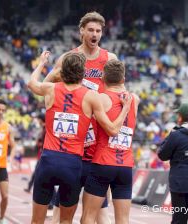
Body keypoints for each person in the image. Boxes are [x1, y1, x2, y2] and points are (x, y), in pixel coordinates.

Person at [27, 51, 132, 224]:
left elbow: (32, 83)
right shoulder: (91, 96)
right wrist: (126, 109)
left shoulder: (51, 89)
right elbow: (113, 130)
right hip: (72, 164)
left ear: (62, 72)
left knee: (36, 221)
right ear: (83, 74)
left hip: (48, 161)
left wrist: (41, 64)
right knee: (66, 221)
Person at [44, 11, 115, 224]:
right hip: (71, 144)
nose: (94, 34)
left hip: (98, 143)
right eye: (90, 30)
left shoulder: (109, 59)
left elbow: (118, 95)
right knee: (62, 208)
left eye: (98, 31)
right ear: (81, 31)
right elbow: (47, 87)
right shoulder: (68, 59)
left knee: (99, 210)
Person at [81, 60, 140, 224]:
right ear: (124, 78)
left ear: (103, 78)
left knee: (88, 217)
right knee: (122, 219)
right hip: (125, 166)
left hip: (103, 163)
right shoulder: (135, 99)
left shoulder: (100, 98)